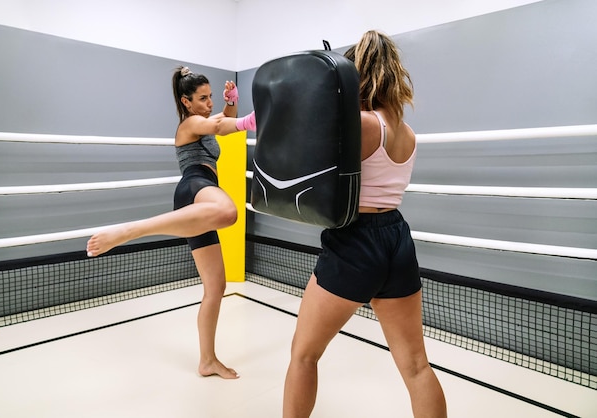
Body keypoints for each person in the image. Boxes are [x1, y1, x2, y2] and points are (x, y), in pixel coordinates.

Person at [283, 30, 447, 417]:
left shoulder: (362, 125)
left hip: (355, 241)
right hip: (396, 238)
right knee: (416, 365)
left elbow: (305, 162)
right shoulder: (407, 134)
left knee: (303, 355)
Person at [86, 66, 256, 379]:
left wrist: (231, 102)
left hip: (198, 198)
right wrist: (255, 119)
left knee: (216, 287)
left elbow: (220, 122)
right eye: (202, 98)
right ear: (186, 101)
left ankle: (207, 360)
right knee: (229, 212)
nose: (208, 103)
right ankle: (131, 230)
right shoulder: (190, 123)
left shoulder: (202, 120)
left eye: (211, 97)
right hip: (195, 189)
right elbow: (219, 126)